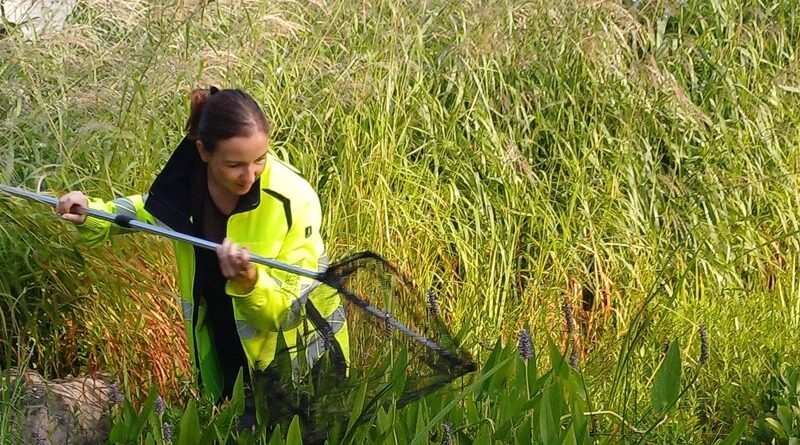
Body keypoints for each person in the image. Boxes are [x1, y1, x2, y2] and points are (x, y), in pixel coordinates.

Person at [56, 87, 349, 428]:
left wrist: (249, 281)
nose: (249, 176)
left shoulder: (294, 200)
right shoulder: (186, 187)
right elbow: (146, 211)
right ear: (204, 153)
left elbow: (286, 313)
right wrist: (91, 212)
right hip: (227, 343)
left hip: (300, 351)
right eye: (235, 164)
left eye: (260, 159)